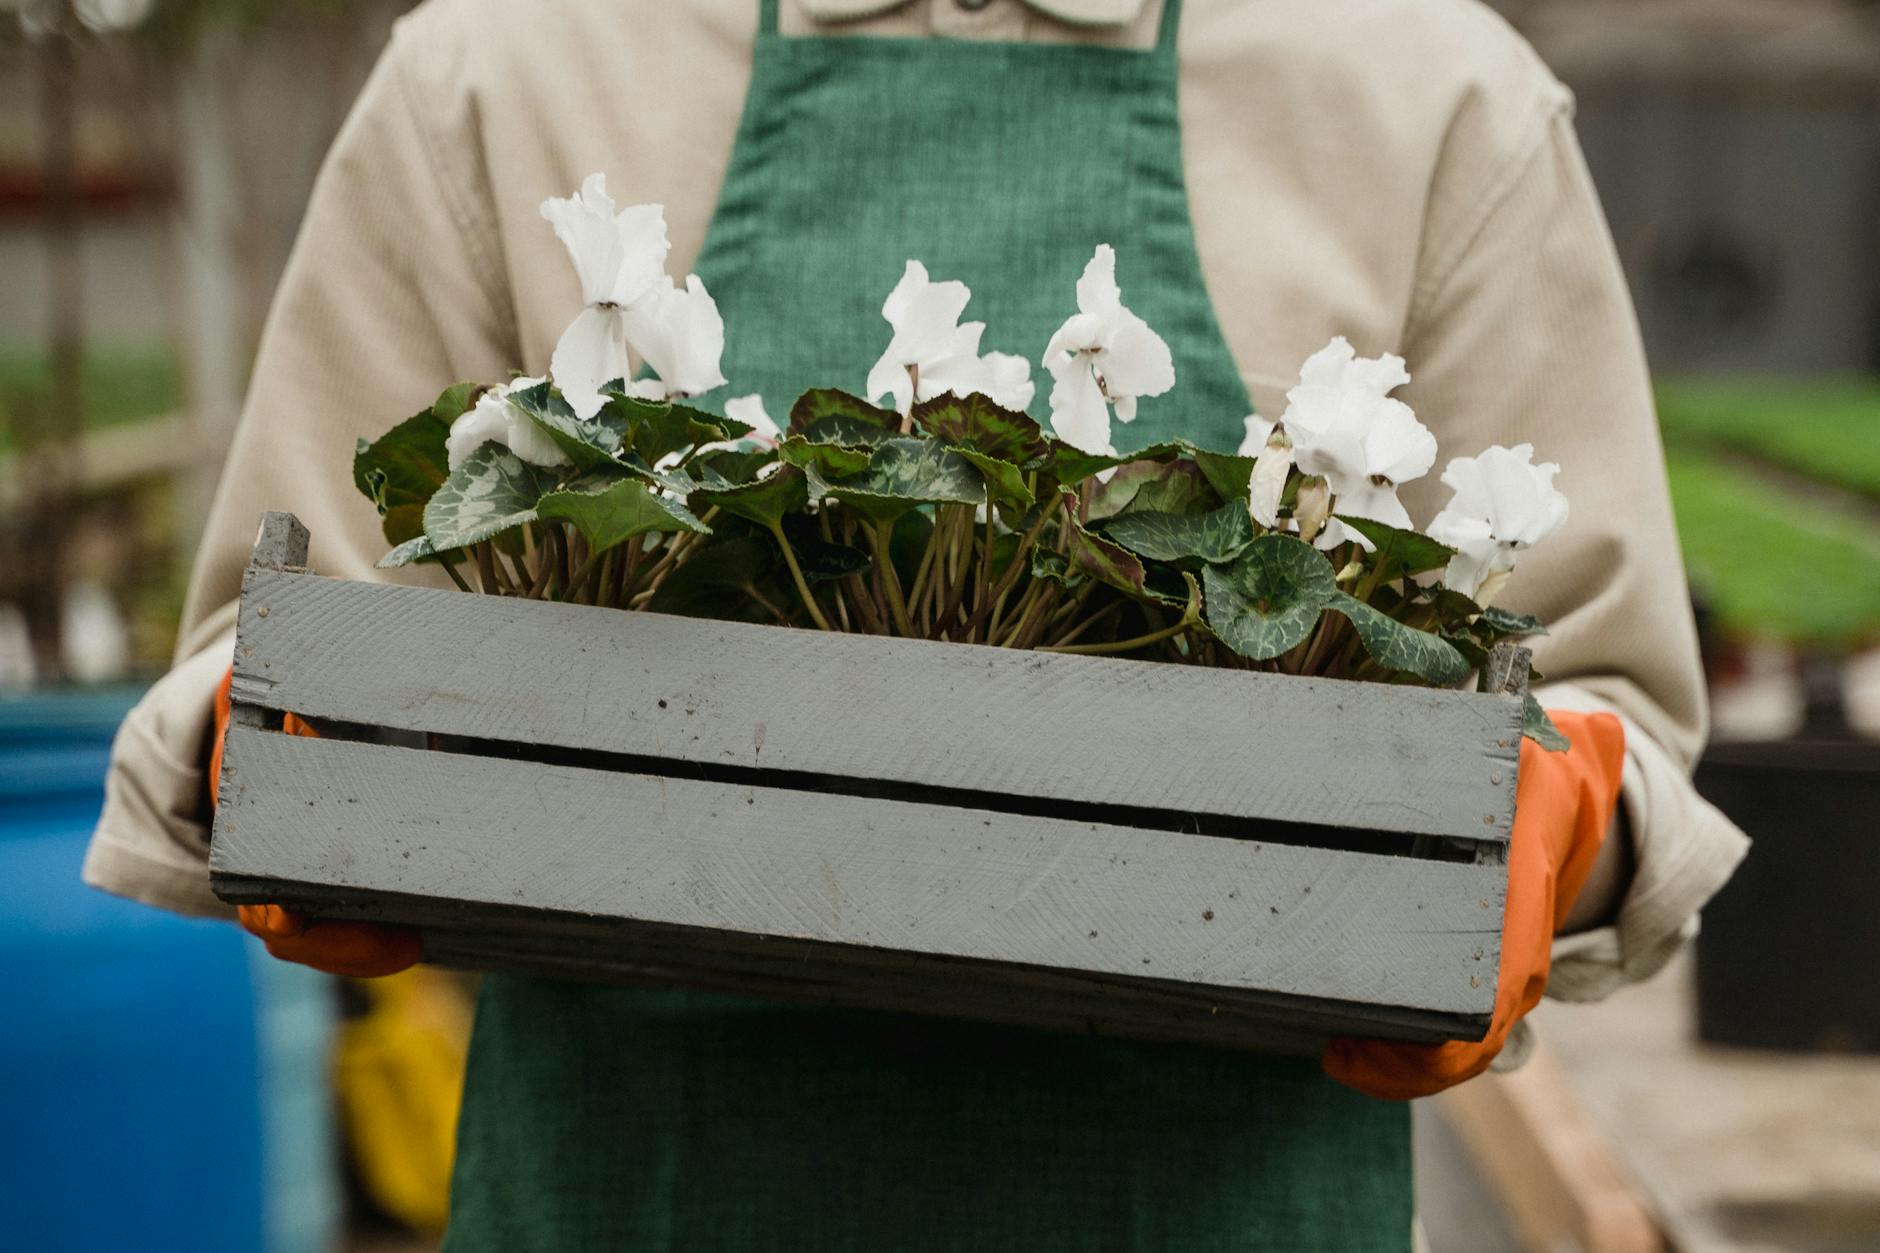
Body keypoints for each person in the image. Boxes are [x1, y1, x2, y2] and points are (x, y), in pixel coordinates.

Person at [87, 1, 1748, 1247]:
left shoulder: (1416, 85)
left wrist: (1558, 814)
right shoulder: (511, 61)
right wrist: (280, 749)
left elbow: (1613, 720)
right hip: (636, 1189)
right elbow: (264, 655)